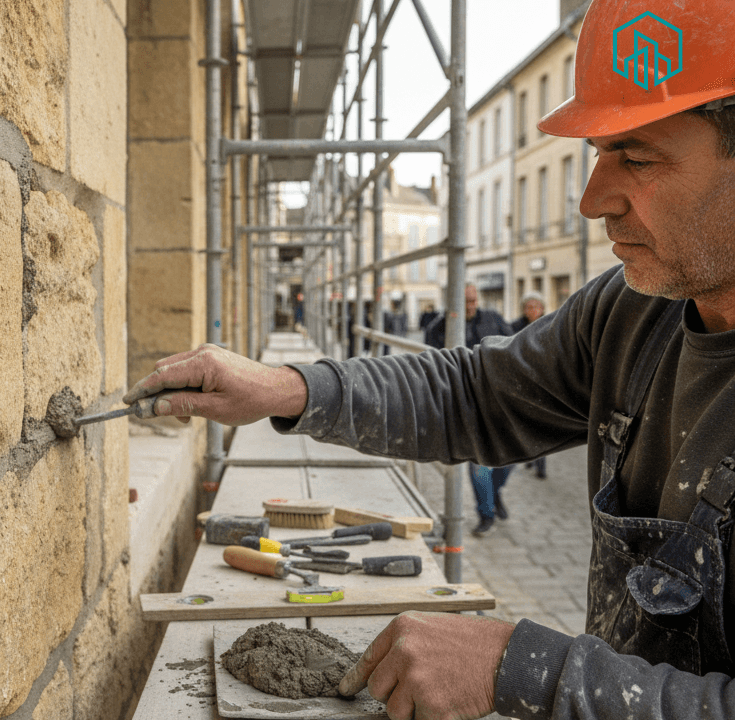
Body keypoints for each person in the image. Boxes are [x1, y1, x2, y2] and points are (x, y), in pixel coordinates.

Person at [122, 1, 735, 717]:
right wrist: (288, 389)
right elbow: (478, 393)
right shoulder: (633, 313)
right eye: (598, 153)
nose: (592, 200)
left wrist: (525, 667)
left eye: (636, 157)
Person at [425, 284, 514, 536]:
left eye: (473, 301)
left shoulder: (494, 320)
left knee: (513, 457)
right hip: (465, 406)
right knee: (479, 464)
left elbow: (513, 349)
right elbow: (434, 371)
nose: (471, 306)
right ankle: (486, 513)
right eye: (465, 302)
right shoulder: (436, 329)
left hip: (498, 401)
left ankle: (494, 493)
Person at [512, 292, 549, 479]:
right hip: (524, 381)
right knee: (526, 423)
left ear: (542, 308)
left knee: (542, 426)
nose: (533, 310)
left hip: (543, 382)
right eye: (529, 306)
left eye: (536, 306)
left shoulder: (551, 324)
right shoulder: (515, 326)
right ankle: (528, 455)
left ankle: (541, 465)